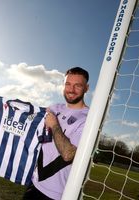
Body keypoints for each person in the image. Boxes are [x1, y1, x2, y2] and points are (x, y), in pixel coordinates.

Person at [22, 67, 90, 200]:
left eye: (77, 85)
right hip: (35, 182)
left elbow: (68, 154)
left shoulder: (88, 119)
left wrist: (54, 124)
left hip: (56, 194)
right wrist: (3, 104)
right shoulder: (55, 107)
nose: (71, 90)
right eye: (68, 84)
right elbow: (31, 114)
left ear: (86, 88)